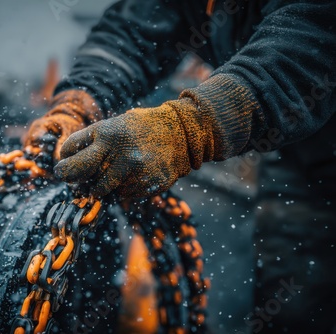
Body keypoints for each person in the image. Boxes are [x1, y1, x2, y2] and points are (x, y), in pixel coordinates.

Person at [23, 0, 336, 333]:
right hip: (299, 155)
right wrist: (79, 100)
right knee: (293, 299)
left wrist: (189, 128)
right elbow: (129, 33)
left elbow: (309, 46)